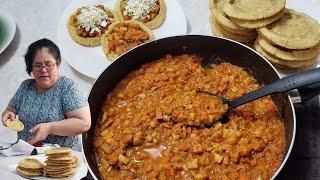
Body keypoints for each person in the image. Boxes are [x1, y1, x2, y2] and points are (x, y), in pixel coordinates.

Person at [1, 38, 91, 151]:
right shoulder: (26, 86)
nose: (43, 70)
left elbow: (84, 123)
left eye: (48, 64)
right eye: (37, 65)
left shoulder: (67, 87)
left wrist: (49, 128)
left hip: (61, 161)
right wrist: (8, 114)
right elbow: (11, 110)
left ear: (58, 65)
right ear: (31, 68)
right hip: (26, 156)